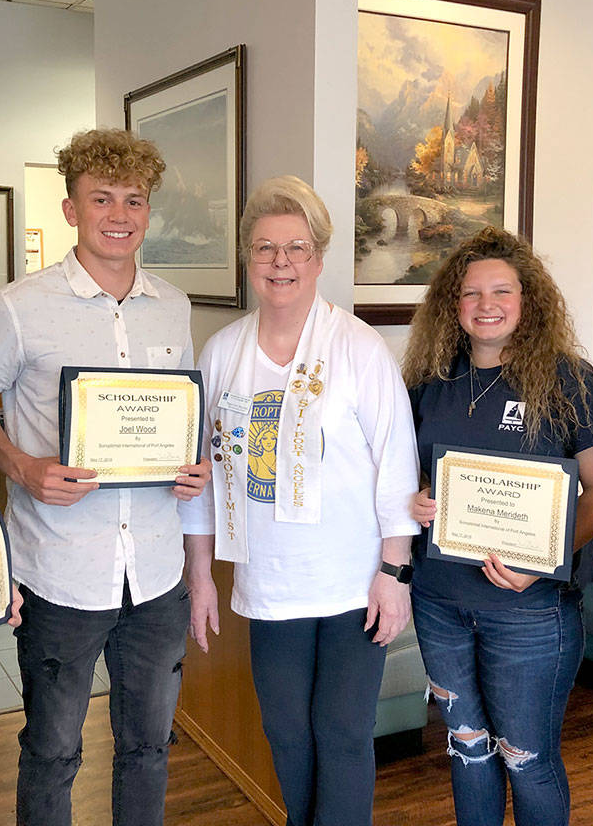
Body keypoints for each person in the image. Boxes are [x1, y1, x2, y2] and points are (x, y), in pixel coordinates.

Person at [0, 129, 209, 826]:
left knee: (149, 747)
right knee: (52, 750)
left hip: (155, 574)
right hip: (61, 573)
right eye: (102, 198)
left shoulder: (173, 305)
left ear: (149, 211)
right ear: (72, 209)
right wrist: (22, 465)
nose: (120, 214)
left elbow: (178, 417)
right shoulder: (20, 306)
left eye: (134, 199)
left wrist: (191, 465)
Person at [183, 175, 420, 826]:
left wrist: (394, 573)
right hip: (270, 582)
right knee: (287, 734)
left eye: (295, 247)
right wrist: (200, 575)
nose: (280, 262)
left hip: (352, 586)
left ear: (318, 258)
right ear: (248, 259)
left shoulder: (359, 349)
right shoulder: (222, 353)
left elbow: (397, 466)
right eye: (264, 248)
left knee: (342, 737)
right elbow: (203, 473)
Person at [402, 226, 593, 826]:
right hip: (439, 601)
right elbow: (409, 477)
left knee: (525, 758)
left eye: (501, 290)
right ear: (453, 305)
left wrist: (543, 561)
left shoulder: (567, 378)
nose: (486, 305)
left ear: (529, 301)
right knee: (467, 749)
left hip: (530, 610)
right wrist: (417, 500)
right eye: (470, 294)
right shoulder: (428, 382)